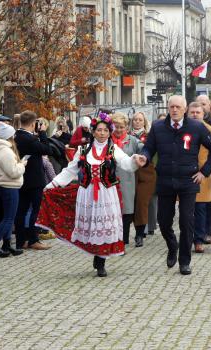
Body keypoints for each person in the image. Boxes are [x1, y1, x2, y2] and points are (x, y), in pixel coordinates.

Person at [40, 112, 144, 277]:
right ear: (93, 131)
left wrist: (135, 160)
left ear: (109, 132)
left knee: (103, 226)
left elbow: (126, 163)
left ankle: (101, 261)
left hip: (107, 194)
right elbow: (69, 171)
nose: (102, 133)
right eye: (99, 130)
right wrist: (52, 185)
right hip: (87, 193)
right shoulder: (82, 150)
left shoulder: (113, 148)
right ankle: (96, 254)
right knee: (91, 227)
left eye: (105, 130)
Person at [140, 95, 211, 275]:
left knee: (186, 221)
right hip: (165, 180)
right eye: (171, 107)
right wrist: (144, 157)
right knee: (164, 221)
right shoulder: (158, 127)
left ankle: (185, 261)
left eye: (178, 107)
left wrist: (204, 172)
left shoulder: (196, 127)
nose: (174, 110)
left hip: (188, 180)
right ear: (168, 109)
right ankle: (172, 245)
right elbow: (149, 147)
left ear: (184, 109)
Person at [187, 102, 211, 254]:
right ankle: (188, 237)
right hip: (185, 174)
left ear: (203, 114)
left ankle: (199, 239)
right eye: (192, 112)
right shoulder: (183, 129)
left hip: (204, 174)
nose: (195, 115)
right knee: (187, 210)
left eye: (198, 112)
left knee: (201, 208)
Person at [13, 111, 52, 250]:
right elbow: (47, 149)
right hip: (34, 180)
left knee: (21, 211)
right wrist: (42, 133)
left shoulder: (16, 136)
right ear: (33, 123)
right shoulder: (29, 139)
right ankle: (33, 239)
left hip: (21, 179)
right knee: (36, 211)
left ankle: (20, 240)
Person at [0, 122, 26, 258]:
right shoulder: (5, 151)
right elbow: (14, 172)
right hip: (8, 186)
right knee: (8, 218)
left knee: (9, 217)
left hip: (7, 186)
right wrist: (22, 165)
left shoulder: (2, 149)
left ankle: (6, 245)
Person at [111, 113, 144, 246]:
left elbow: (143, 150)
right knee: (113, 210)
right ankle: (114, 238)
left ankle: (123, 240)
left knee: (127, 210)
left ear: (126, 127)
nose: (118, 130)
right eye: (116, 127)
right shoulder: (107, 140)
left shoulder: (133, 140)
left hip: (127, 180)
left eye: (121, 127)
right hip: (111, 179)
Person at [130, 112, 157, 241]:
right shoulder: (127, 136)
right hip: (131, 174)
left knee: (142, 202)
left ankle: (141, 232)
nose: (137, 122)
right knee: (133, 202)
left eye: (140, 120)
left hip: (147, 173)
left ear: (144, 122)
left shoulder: (149, 136)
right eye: (135, 120)